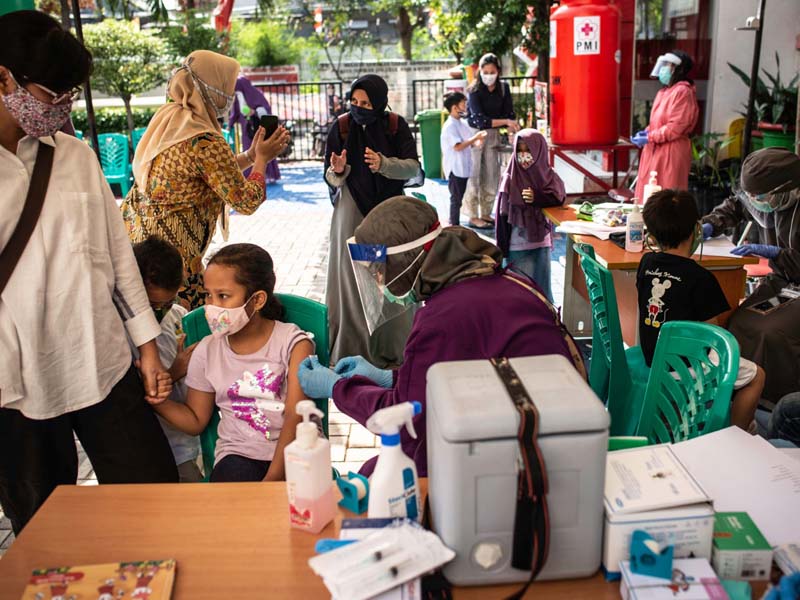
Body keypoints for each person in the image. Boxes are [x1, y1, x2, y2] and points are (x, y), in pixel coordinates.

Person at [0, 11, 177, 534]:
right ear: (3, 77)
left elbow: (117, 256)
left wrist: (147, 349)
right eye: (51, 93)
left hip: (100, 358)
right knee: (44, 524)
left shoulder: (75, 157)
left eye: (69, 95)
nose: (61, 107)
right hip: (18, 379)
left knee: (156, 499)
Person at [296, 196, 587, 477]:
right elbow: (451, 373)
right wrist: (391, 378)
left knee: (379, 473)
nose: (379, 281)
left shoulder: (445, 316)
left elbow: (406, 420)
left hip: (534, 455)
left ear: (406, 261)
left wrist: (337, 388)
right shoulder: (484, 276)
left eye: (380, 270)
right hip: (542, 425)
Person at [121, 50, 291, 310]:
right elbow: (246, 201)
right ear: (210, 88)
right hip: (173, 259)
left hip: (143, 246)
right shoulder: (204, 138)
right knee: (182, 327)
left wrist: (249, 155)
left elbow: (209, 172)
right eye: (226, 87)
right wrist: (262, 160)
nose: (230, 95)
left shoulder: (170, 119)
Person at [149, 244, 314, 482]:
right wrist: (157, 400)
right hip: (238, 455)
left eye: (223, 296)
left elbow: (295, 416)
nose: (212, 306)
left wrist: (272, 479)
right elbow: (195, 419)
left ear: (257, 300)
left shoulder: (294, 344)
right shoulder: (207, 350)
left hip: (297, 451)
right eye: (208, 294)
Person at [637, 189, 765, 430]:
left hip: (654, 358)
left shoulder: (646, 264)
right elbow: (714, 338)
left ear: (652, 234)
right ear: (697, 229)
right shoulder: (701, 278)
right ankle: (736, 433)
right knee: (756, 376)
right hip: (687, 368)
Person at [323, 74, 420, 366]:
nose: (358, 107)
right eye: (354, 101)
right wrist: (338, 171)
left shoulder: (394, 126)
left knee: (391, 279)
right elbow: (329, 178)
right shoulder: (340, 128)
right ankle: (354, 348)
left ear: (379, 103)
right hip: (352, 216)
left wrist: (384, 164)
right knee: (354, 281)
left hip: (390, 217)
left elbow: (413, 169)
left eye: (366, 103)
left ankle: (393, 348)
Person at [702, 148, 800, 403]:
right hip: (781, 283)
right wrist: (712, 223)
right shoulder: (767, 199)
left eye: (761, 195)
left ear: (785, 189)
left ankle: (777, 402)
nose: (756, 200)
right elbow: (737, 205)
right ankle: (741, 394)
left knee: (771, 331)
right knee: (738, 323)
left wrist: (778, 254)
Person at [133, 236, 203, 482]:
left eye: (168, 302)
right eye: (153, 304)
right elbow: (136, 392)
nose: (161, 310)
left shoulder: (179, 316)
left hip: (190, 439)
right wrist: (175, 371)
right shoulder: (125, 333)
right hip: (160, 444)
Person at [495, 129, 567, 302]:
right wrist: (501, 250)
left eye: (528, 150)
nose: (523, 155)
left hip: (541, 244)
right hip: (516, 248)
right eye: (519, 150)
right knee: (518, 293)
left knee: (542, 292)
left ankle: (544, 325)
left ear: (539, 150)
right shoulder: (510, 178)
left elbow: (559, 198)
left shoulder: (548, 176)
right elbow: (501, 218)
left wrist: (538, 197)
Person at [632, 50, 699, 201]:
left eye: (668, 65)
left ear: (679, 69)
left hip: (671, 152)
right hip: (654, 149)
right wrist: (645, 133)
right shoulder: (664, 92)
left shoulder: (683, 92)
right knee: (648, 194)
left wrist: (650, 137)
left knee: (666, 196)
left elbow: (675, 128)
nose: (663, 69)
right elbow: (656, 123)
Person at [464, 53, 520, 229]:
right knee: (473, 174)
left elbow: (509, 113)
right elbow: (480, 120)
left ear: (498, 72)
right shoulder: (474, 90)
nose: (488, 75)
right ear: (479, 71)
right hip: (475, 135)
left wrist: (512, 127)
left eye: (492, 71)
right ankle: (473, 215)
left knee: (491, 174)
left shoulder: (503, 88)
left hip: (493, 135)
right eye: (485, 71)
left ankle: (486, 213)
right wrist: (505, 122)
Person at [440, 91, 486, 227]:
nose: (465, 107)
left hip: (463, 167)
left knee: (458, 199)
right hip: (455, 168)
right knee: (456, 199)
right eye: (463, 104)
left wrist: (477, 141)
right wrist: (475, 138)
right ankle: (454, 225)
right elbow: (458, 146)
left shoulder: (462, 123)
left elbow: (467, 143)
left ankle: (455, 224)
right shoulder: (450, 126)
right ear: (455, 107)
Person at [229, 74, 281, 183]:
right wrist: (230, 124)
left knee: (262, 149)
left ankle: (267, 174)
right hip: (246, 128)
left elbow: (265, 110)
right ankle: (250, 175)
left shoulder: (256, 94)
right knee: (249, 150)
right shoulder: (239, 95)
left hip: (259, 127)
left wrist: (254, 112)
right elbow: (236, 112)